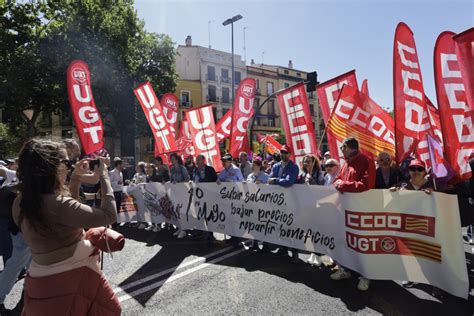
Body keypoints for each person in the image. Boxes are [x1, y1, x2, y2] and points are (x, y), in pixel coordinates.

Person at [12, 138, 120, 314]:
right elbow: (109, 216)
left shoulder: (19, 203)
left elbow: (69, 215)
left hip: (42, 282)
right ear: (52, 167)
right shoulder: (58, 204)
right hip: (74, 280)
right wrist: (105, 176)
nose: (70, 167)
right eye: (67, 162)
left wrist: (76, 178)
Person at [331, 137, 375, 291]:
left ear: (348, 147)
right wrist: (338, 182)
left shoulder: (366, 161)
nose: (341, 149)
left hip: (361, 210)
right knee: (346, 240)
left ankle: (365, 276)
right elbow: (337, 179)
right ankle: (346, 270)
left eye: (342, 147)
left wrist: (343, 185)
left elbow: (367, 185)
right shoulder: (346, 162)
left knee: (361, 242)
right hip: (345, 209)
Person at [389, 159, 438, 293]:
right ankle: (411, 277)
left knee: (429, 255)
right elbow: (390, 201)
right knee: (410, 254)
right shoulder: (402, 184)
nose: (416, 172)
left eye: (419, 169)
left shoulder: (433, 184)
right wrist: (391, 192)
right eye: (413, 169)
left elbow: (444, 203)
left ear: (424, 171)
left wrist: (435, 195)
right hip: (407, 227)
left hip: (427, 227)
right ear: (409, 170)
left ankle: (436, 283)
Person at [268, 145, 300, 261]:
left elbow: (288, 181)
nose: (283, 154)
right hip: (278, 202)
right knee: (280, 226)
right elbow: (269, 179)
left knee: (291, 228)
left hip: (291, 202)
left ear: (290, 154)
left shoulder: (294, 167)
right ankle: (284, 248)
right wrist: (274, 180)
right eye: (281, 152)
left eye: (286, 152)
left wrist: (276, 180)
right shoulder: (275, 166)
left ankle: (295, 253)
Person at [192, 155, 218, 240]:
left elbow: (214, 180)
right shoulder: (195, 170)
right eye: (196, 160)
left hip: (208, 197)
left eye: (198, 160)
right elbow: (194, 180)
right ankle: (201, 231)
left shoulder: (210, 169)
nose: (197, 161)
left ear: (204, 160)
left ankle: (210, 234)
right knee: (200, 214)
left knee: (209, 216)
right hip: (198, 197)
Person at [169, 153, 190, 239]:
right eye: (171, 159)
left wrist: (178, 184)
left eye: (173, 159)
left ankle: (184, 230)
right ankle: (180, 227)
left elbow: (187, 180)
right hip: (175, 192)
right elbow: (171, 180)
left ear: (177, 159)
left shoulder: (183, 168)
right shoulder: (172, 169)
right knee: (176, 211)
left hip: (182, 192)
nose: (172, 161)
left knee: (182, 211)